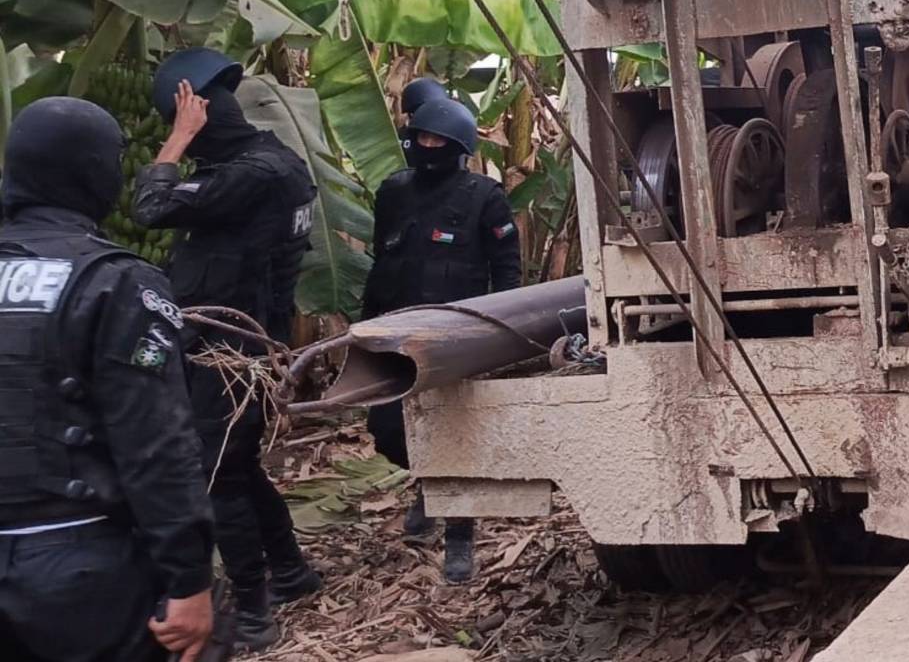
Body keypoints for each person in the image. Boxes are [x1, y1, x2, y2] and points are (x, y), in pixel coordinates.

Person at [0, 97, 215, 662]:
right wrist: (188, 578)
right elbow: (157, 445)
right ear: (94, 172)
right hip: (79, 564)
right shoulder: (116, 283)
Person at [132, 48, 322, 649]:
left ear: (202, 115)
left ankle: (255, 610)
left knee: (217, 476)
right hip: (240, 341)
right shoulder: (270, 161)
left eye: (184, 118)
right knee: (234, 465)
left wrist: (177, 140)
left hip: (230, 349)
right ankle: (291, 574)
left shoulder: (250, 175)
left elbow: (150, 206)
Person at [361, 95, 520, 584]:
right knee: (387, 430)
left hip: (456, 337)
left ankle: (459, 535)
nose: (427, 146)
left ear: (457, 147)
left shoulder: (484, 196)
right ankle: (429, 483)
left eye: (438, 141)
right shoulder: (393, 191)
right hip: (394, 332)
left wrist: (500, 336)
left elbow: (507, 270)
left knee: (455, 433)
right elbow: (381, 254)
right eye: (422, 137)